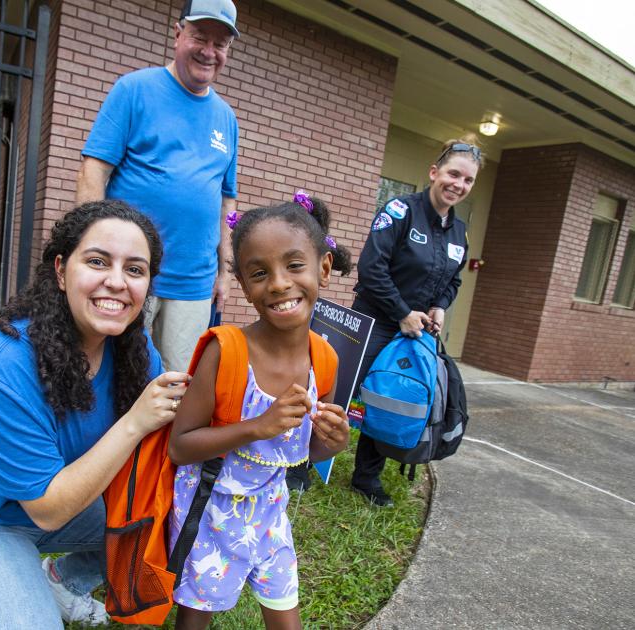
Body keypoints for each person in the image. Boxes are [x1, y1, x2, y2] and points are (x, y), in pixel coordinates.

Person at [0, 201, 191, 629]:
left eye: (135, 269)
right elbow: (49, 509)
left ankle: (63, 582)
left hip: (62, 504)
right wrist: (134, 423)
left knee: (177, 516)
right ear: (60, 270)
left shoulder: (134, 349)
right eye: (97, 262)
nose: (116, 282)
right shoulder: (1, 366)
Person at [166, 194, 353, 629]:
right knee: (196, 618)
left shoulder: (323, 359)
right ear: (244, 285)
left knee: (287, 618)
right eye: (259, 273)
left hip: (270, 513)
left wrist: (331, 444)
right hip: (211, 513)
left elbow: (305, 451)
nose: (279, 284)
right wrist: (256, 426)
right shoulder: (225, 350)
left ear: (323, 268)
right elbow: (180, 446)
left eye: (294, 265)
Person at [76, 0, 240, 372]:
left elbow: (226, 203)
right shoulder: (134, 90)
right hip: (129, 277)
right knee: (113, 377)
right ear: (178, 33)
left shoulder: (227, 119)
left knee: (174, 387)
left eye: (221, 44)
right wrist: (89, 252)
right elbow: (93, 171)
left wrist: (224, 273)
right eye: (200, 37)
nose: (209, 51)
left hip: (194, 285)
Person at [350, 137, 481, 507]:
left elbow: (453, 279)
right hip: (377, 320)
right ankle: (300, 464)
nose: (458, 184)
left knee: (390, 397)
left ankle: (366, 477)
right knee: (343, 392)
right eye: (453, 174)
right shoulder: (399, 210)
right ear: (434, 172)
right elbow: (371, 268)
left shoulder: (459, 232)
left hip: (415, 330)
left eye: (468, 180)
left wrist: (440, 306)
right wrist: (401, 312)